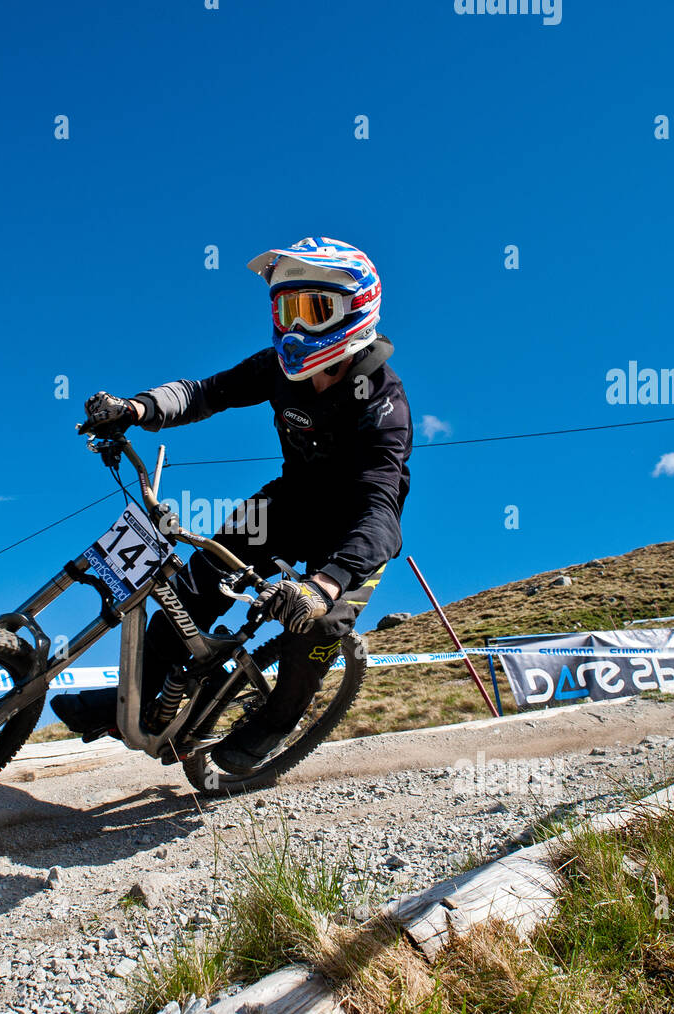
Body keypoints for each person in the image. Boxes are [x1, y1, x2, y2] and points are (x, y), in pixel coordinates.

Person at [52, 236, 413, 773]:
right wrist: (136, 407)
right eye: (285, 309)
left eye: (312, 309)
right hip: (290, 502)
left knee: (313, 630)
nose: (295, 327)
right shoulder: (276, 367)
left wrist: (326, 585)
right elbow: (206, 392)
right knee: (192, 586)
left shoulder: (385, 401)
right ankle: (138, 693)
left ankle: (274, 724)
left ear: (355, 311)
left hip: (352, 532)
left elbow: (380, 507)